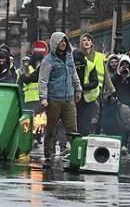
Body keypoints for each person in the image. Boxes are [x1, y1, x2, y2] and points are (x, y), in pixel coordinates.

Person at [38, 32, 82, 169]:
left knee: (73, 130)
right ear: (54, 43)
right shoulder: (48, 61)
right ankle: (47, 157)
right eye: (60, 41)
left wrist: (78, 89)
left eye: (65, 41)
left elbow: (74, 74)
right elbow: (43, 80)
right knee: (51, 130)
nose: (63, 44)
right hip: (53, 100)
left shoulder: (69, 58)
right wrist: (43, 98)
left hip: (68, 99)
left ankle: (75, 158)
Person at [74, 33, 110, 135]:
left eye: (89, 40)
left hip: (94, 93)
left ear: (92, 43)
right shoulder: (76, 56)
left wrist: (112, 90)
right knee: (78, 118)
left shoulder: (99, 57)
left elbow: (106, 75)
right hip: (78, 93)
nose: (87, 42)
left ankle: (90, 135)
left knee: (93, 118)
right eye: (84, 40)